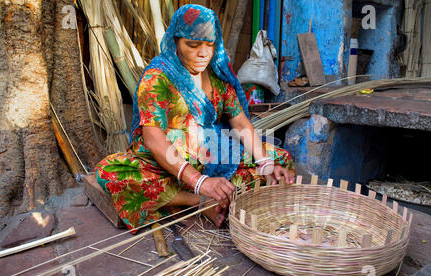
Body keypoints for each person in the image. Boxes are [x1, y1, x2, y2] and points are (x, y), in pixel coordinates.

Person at [95, 4, 295, 233]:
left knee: (280, 160)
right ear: (176, 43)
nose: (203, 53)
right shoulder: (159, 77)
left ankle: (217, 197)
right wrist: (200, 182)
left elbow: (239, 123)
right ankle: (198, 201)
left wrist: (266, 163)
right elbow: (153, 138)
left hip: (213, 157)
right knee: (111, 173)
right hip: (167, 165)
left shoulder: (219, 77)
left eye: (209, 45)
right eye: (192, 45)